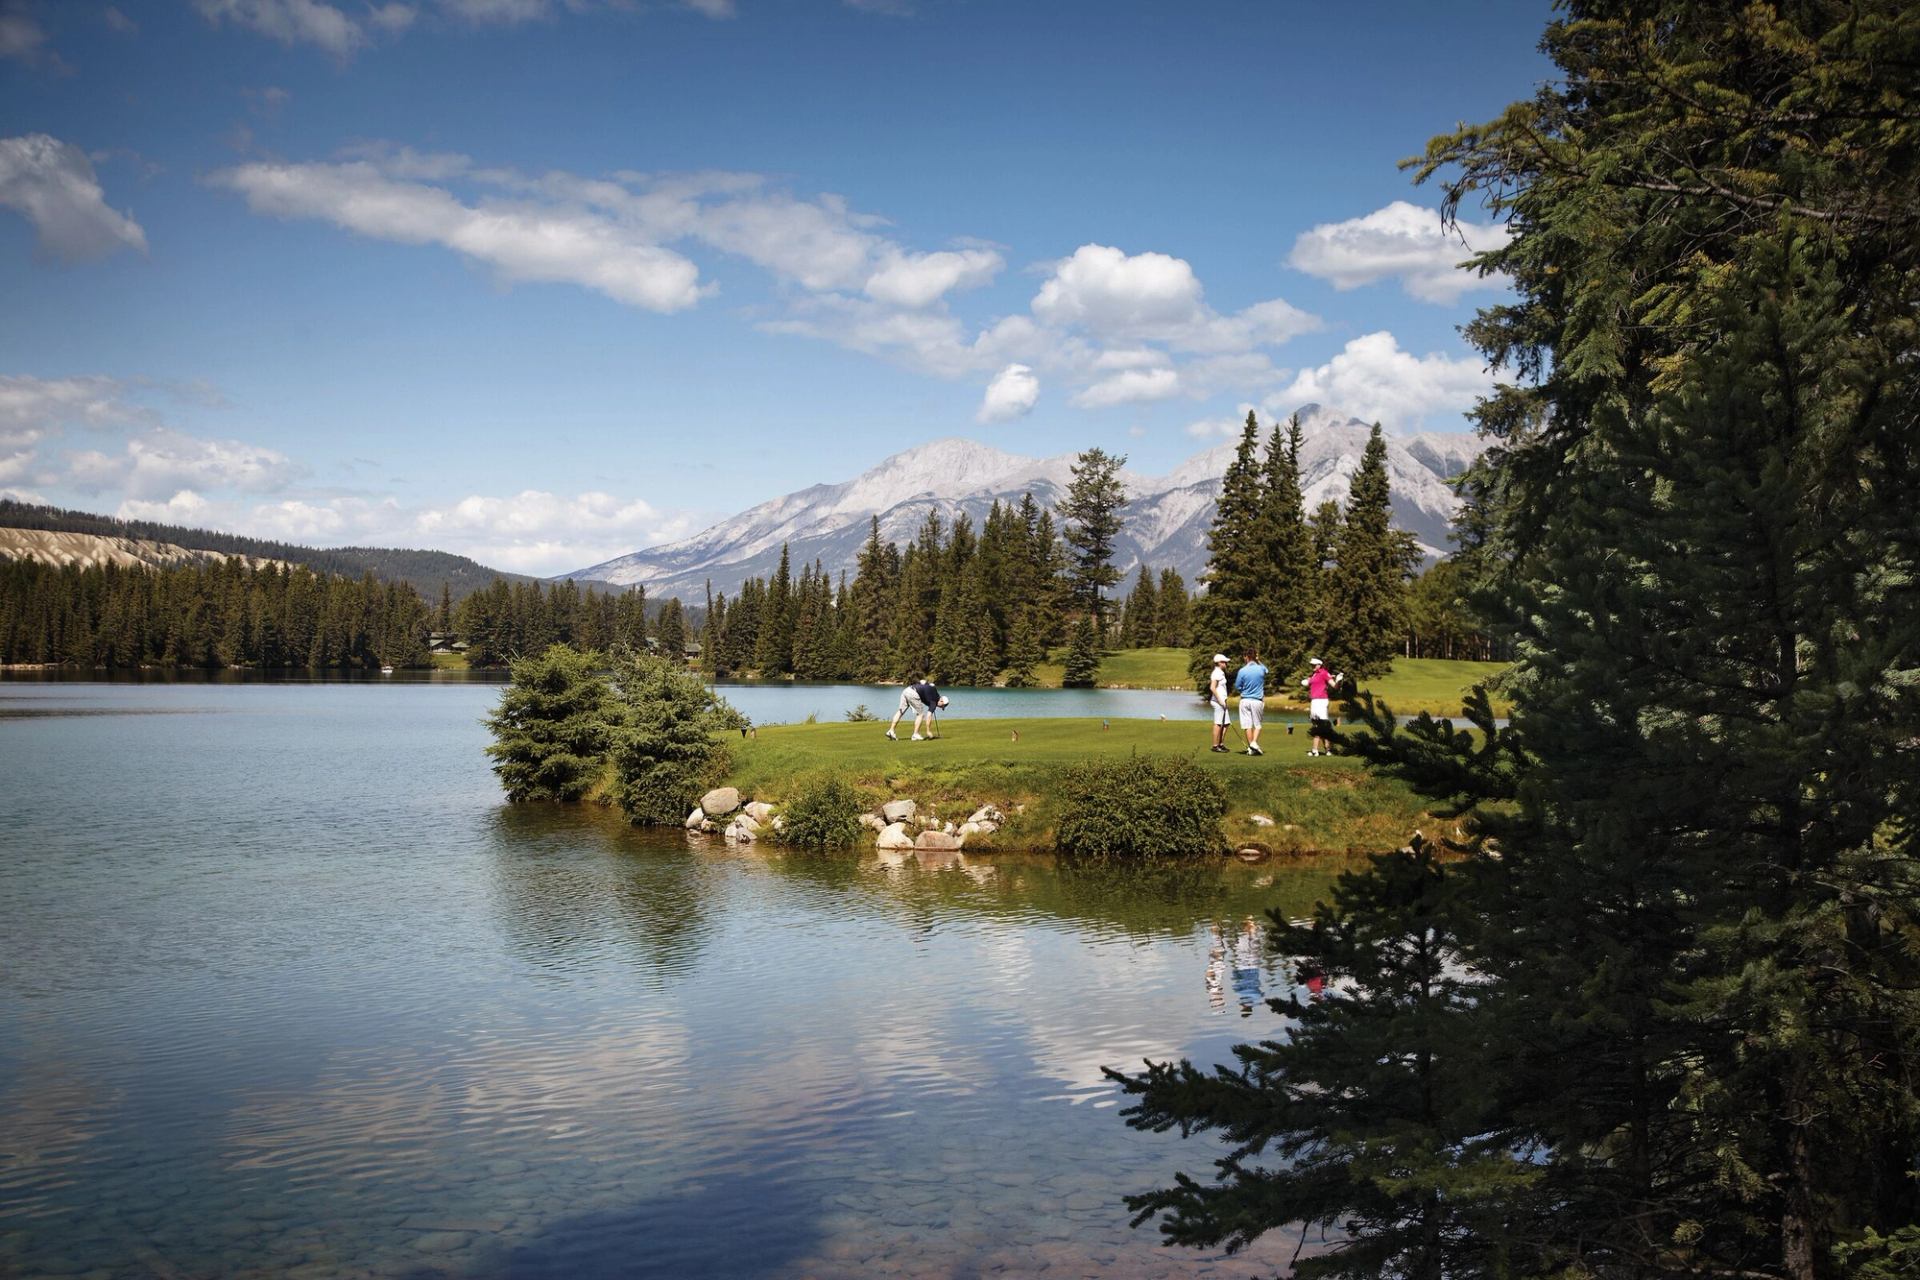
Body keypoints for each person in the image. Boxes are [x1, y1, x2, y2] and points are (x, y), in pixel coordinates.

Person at [1301, 657, 1344, 756]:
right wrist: (1307, 681)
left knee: (1319, 725)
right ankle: (1328, 749)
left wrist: (1338, 681)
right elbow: (1311, 683)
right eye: (1311, 664)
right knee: (1319, 725)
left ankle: (1314, 749)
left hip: (1321, 701)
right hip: (1314, 701)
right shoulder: (1315, 674)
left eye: (1314, 664)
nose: (1312, 666)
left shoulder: (1324, 673)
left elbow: (1335, 687)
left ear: (1319, 665)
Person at [885, 674, 944, 741]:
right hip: (913, 693)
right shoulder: (934, 701)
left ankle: (891, 731)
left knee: (900, 711)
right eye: (942, 706)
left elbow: (922, 681)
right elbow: (929, 716)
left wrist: (927, 685)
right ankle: (915, 734)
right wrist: (928, 731)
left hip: (907, 690)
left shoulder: (933, 691)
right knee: (921, 714)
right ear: (941, 700)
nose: (940, 706)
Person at [1233, 647, 1267, 756]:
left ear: (1246, 657)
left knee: (1247, 725)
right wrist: (1258, 660)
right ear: (1255, 657)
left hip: (1245, 700)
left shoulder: (1242, 670)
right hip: (1257, 700)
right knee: (1257, 724)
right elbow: (1267, 670)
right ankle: (1253, 744)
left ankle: (1251, 747)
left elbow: (1237, 686)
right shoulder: (1261, 669)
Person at [1206, 653, 1232, 753]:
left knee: (1226, 723)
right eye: (1224, 662)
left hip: (1222, 702)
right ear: (1219, 663)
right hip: (1218, 702)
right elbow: (1212, 687)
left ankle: (1220, 744)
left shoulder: (1220, 672)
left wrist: (1224, 700)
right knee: (1218, 723)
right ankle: (1215, 745)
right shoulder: (1217, 673)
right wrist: (1220, 700)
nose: (1226, 663)